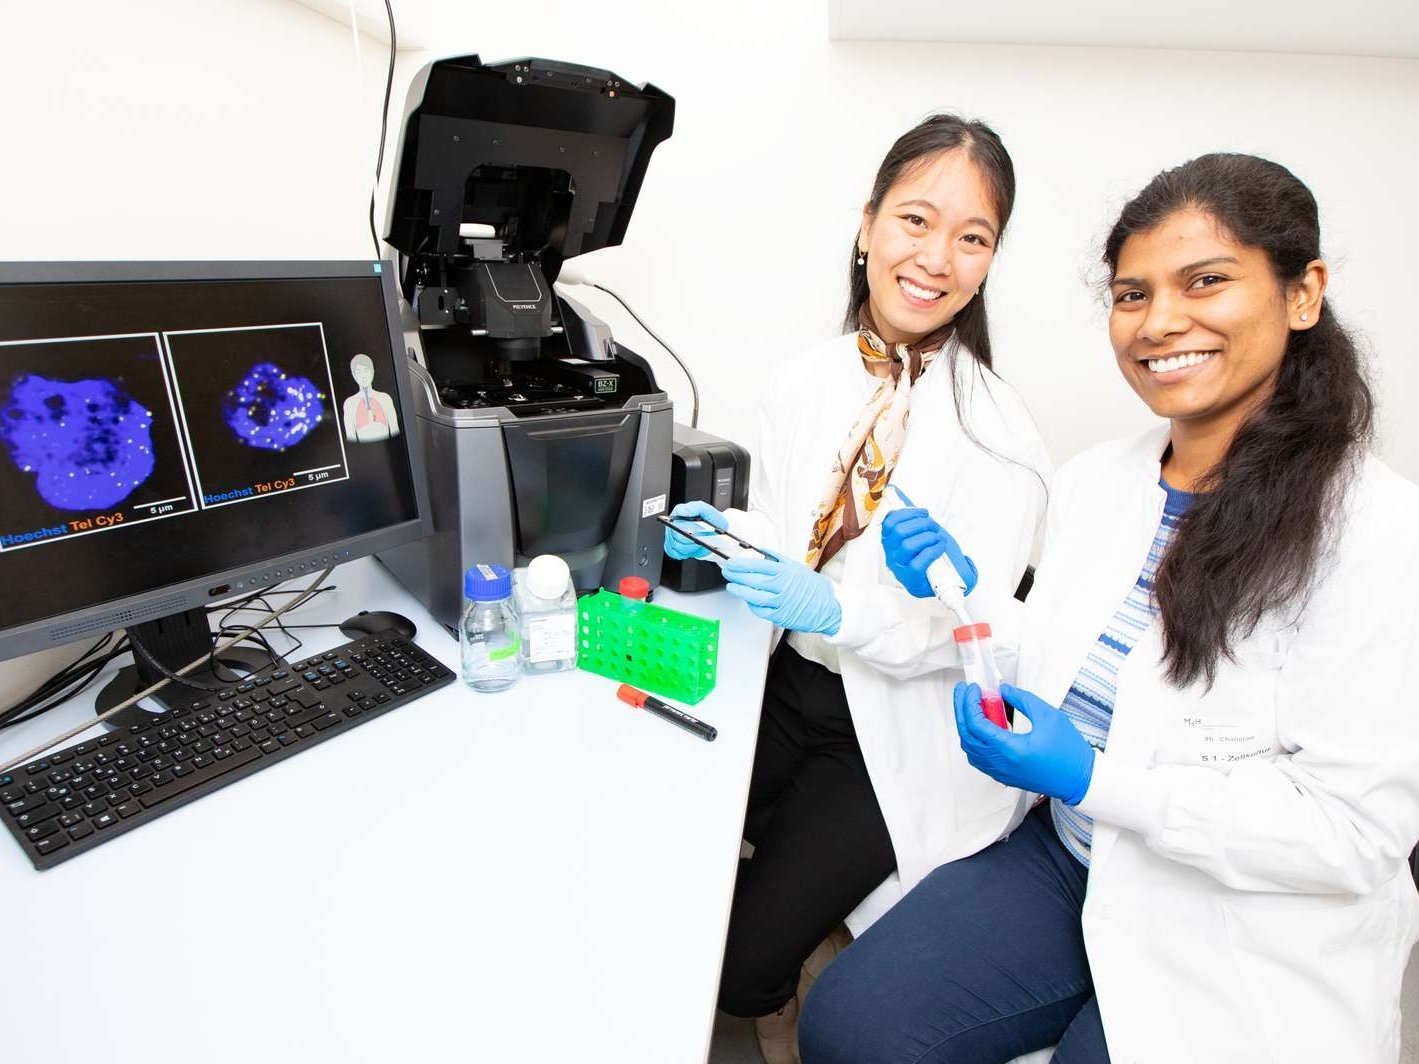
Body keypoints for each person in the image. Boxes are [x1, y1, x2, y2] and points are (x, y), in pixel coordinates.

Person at [798, 153, 1419, 1063]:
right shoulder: (1097, 482)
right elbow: (1072, 662)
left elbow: (1353, 836)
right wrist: (964, 596)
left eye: (1204, 282)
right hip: (1069, 854)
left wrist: (1095, 780)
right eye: (1132, 295)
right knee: (853, 1025)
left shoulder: (1373, 531)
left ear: (1300, 293)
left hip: (1237, 913)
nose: (1160, 321)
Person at [663, 114, 1051, 1062]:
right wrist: (727, 537)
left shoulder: (1005, 441)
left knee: (739, 963)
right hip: (783, 683)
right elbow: (792, 530)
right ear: (867, 225)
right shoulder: (802, 381)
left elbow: (979, 638)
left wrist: (842, 609)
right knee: (663, 841)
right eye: (915, 221)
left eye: (972, 237)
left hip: (891, 728)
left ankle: (783, 981)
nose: (936, 258)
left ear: (990, 261)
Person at [342, 353, 400, 443]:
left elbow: (395, 430)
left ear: (372, 371)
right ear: (354, 375)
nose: (363, 375)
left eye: (366, 370)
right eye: (359, 372)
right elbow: (350, 437)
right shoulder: (350, 403)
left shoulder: (385, 398)